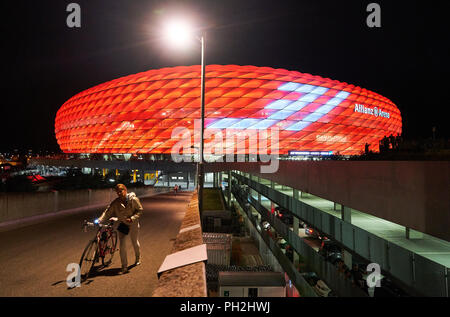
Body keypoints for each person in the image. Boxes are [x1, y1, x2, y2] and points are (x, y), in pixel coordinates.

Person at [98, 183, 143, 274]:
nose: (119, 193)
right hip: (123, 224)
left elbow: (140, 210)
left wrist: (132, 218)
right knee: (122, 244)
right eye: (117, 192)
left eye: (121, 191)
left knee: (134, 242)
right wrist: (100, 219)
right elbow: (107, 211)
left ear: (125, 190)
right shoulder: (116, 202)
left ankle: (138, 258)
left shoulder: (133, 199)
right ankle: (124, 266)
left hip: (133, 224)